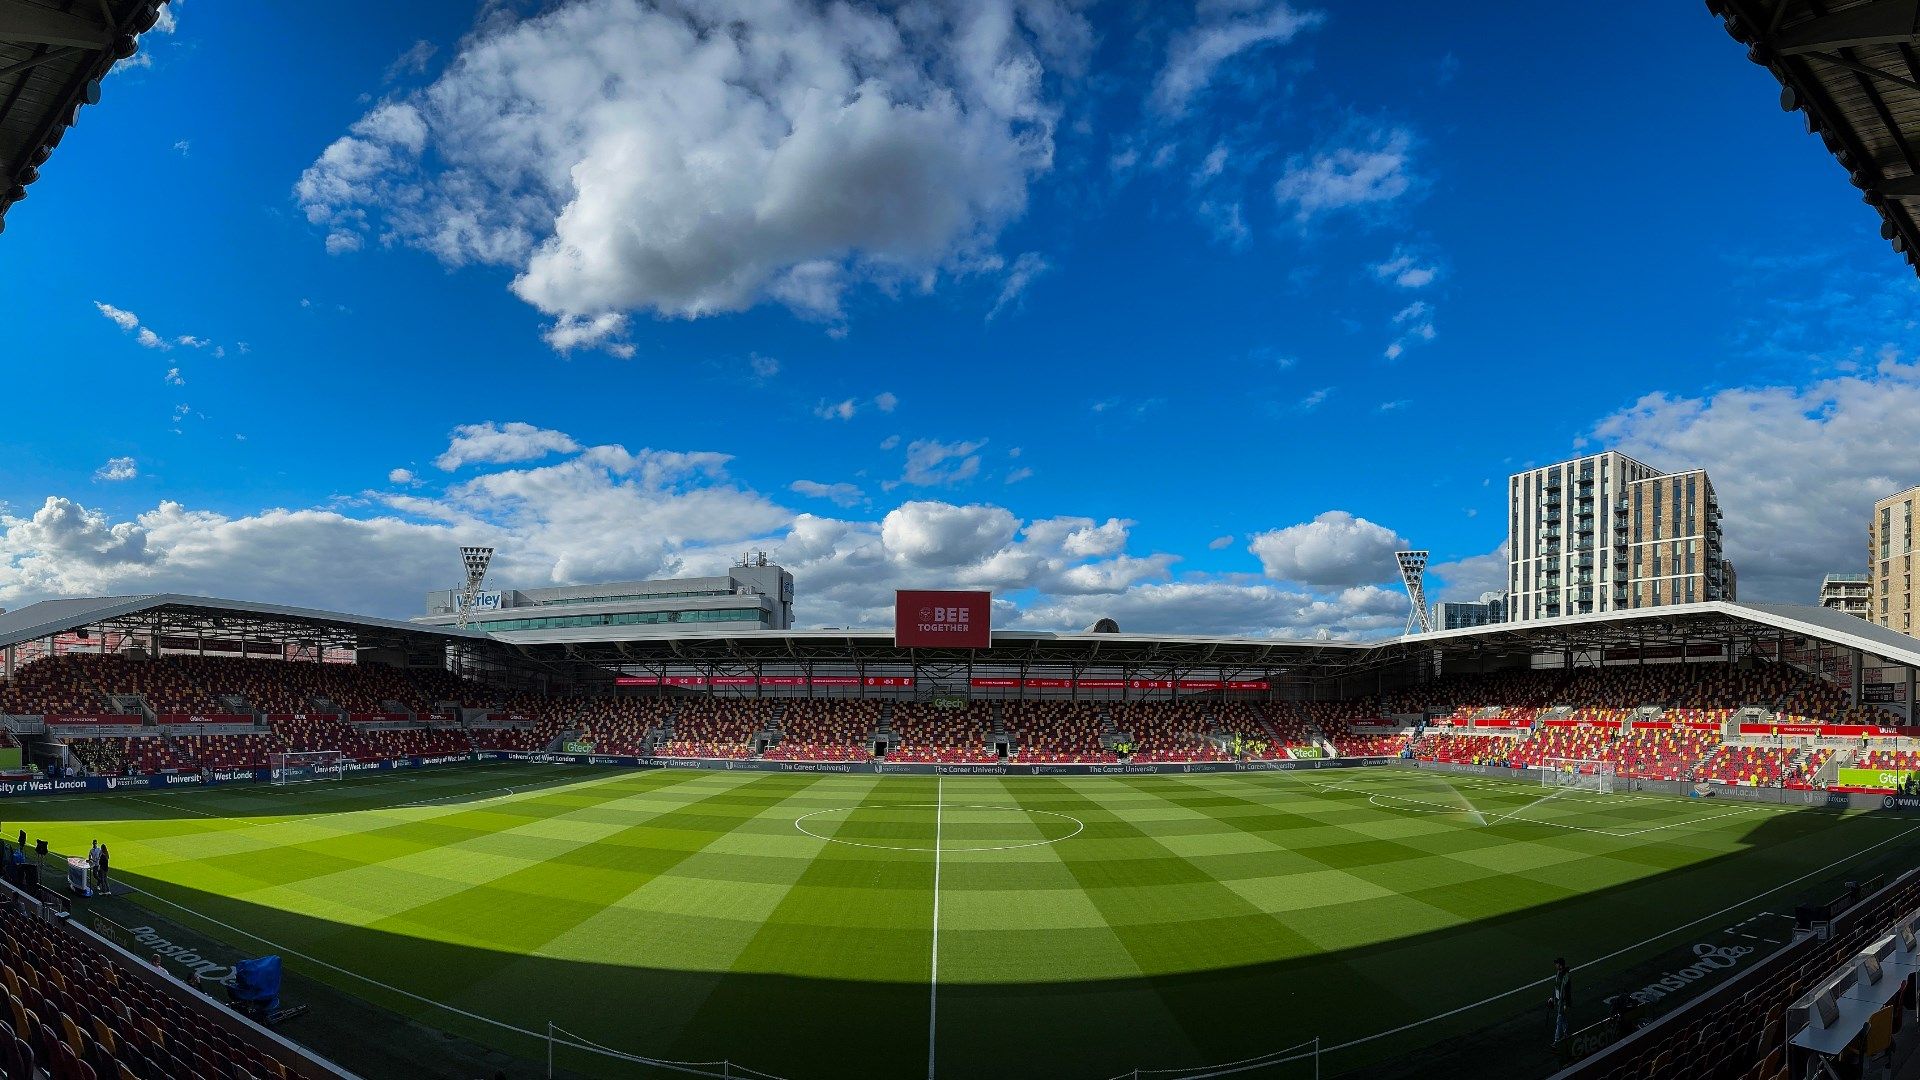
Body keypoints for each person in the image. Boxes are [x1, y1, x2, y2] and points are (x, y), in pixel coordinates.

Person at [1550, 957, 1573, 1046]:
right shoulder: (1559, 973)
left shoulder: (1566, 976)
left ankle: (1556, 1040)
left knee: (1559, 1020)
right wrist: (1552, 997)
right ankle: (1567, 1034)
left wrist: (1566, 1004)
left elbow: (1567, 991)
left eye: (1556, 963)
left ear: (1560, 965)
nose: (1555, 965)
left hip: (1562, 1002)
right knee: (1562, 1018)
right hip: (1559, 1000)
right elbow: (1556, 986)